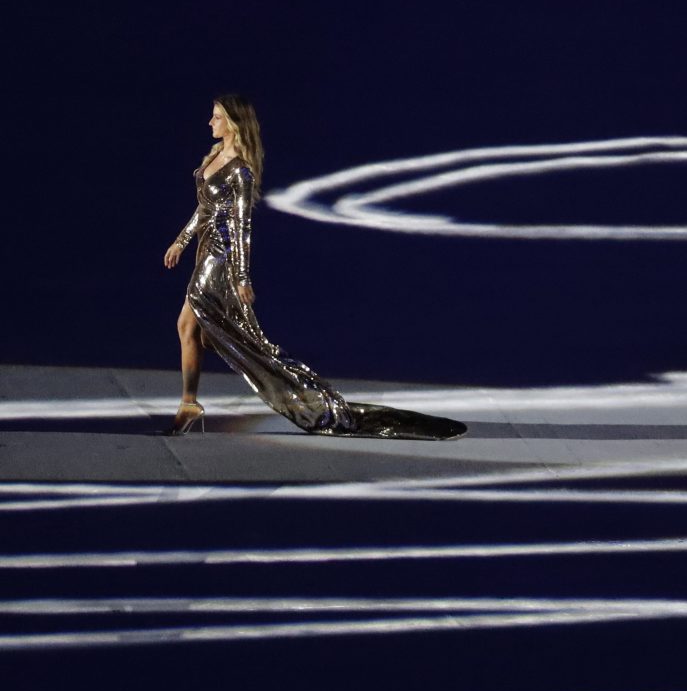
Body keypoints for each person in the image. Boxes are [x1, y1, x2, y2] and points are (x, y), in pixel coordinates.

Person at [162, 94, 466, 440]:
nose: (210, 123)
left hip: (219, 263)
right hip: (205, 254)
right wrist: (180, 242)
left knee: (190, 327)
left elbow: (242, 226)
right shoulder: (214, 157)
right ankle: (204, 392)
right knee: (201, 333)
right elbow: (203, 209)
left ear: (232, 124)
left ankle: (192, 401)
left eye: (216, 117)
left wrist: (242, 277)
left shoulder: (240, 172)